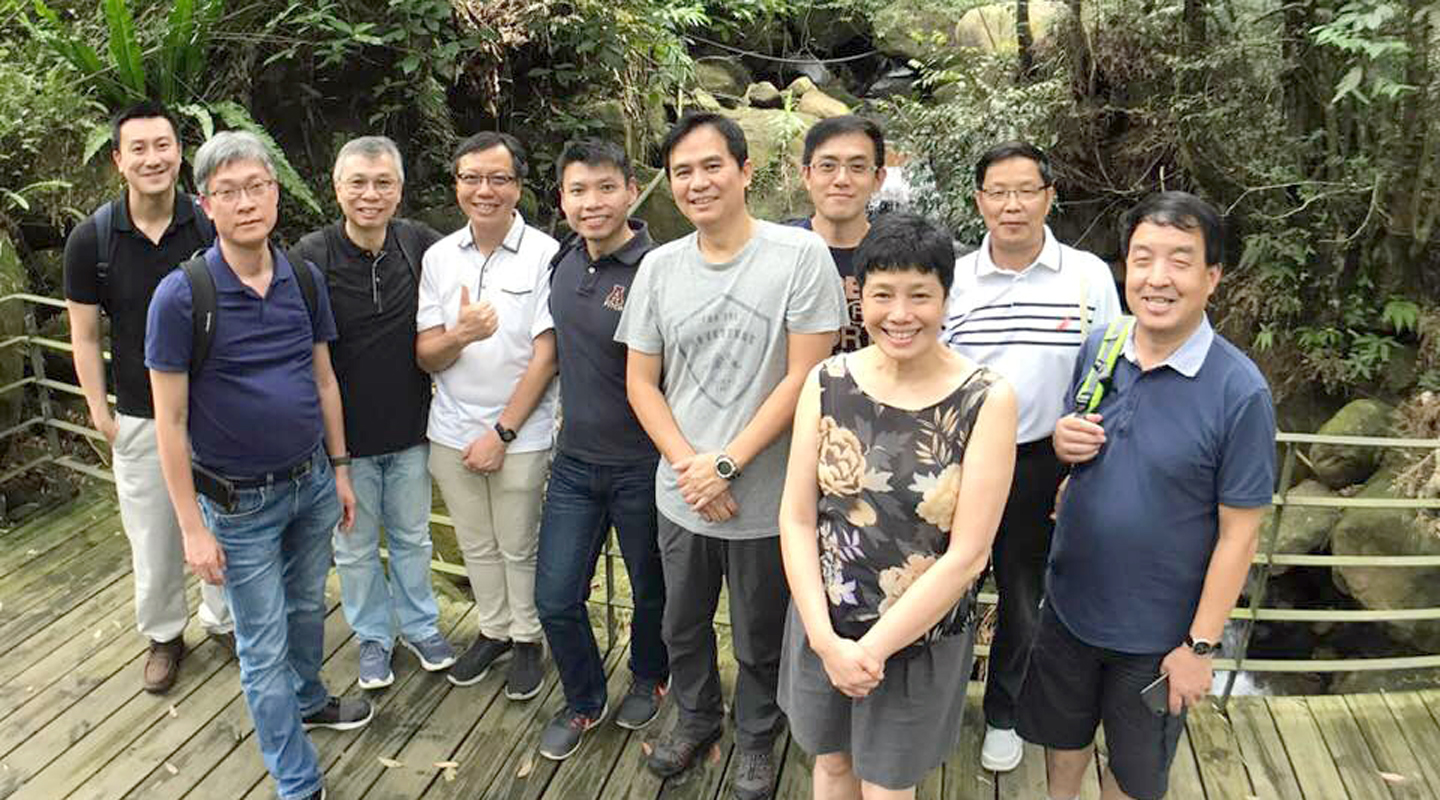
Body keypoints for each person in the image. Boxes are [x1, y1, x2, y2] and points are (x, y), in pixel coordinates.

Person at [615, 111, 846, 800]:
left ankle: (754, 736)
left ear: (746, 171)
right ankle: (693, 716)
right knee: (681, 623)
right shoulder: (659, 267)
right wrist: (693, 467)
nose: (697, 182)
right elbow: (639, 381)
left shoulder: (799, 257)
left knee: (761, 634)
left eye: (712, 165)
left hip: (768, 496)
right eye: (682, 171)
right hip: (682, 495)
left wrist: (727, 464)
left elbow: (805, 374)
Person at [1017, 191, 1275, 800]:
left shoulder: (1239, 393)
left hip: (1158, 637)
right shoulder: (1102, 346)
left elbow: (1241, 534)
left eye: (1180, 261)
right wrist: (1061, 441)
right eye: (1142, 258)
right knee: (1064, 738)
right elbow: (1079, 448)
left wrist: (1200, 647)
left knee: (1134, 773)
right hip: (1070, 608)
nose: (1157, 278)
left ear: (1212, 277)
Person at [146, 130, 370, 800]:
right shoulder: (181, 297)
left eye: (258, 187)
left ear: (277, 194)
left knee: (306, 611)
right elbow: (171, 420)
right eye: (229, 192)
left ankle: (308, 698)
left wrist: (339, 468)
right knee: (262, 643)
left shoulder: (303, 276)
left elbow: (324, 380)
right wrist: (191, 527)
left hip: (310, 483)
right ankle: (297, 780)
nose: (247, 203)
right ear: (205, 204)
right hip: (238, 505)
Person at [777, 211, 1016, 800]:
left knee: (887, 789)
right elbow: (798, 516)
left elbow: (969, 555)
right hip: (824, 620)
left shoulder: (986, 397)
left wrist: (870, 652)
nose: (901, 314)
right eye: (884, 294)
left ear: (945, 299)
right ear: (860, 296)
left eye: (920, 296)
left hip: (917, 640)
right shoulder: (827, 380)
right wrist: (826, 641)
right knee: (831, 766)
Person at [938, 141, 1120, 773]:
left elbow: (1111, 374)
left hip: (1046, 461)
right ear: (979, 200)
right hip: (957, 461)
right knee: (944, 586)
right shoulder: (953, 278)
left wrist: (1083, 470)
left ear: (1049, 195)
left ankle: (1004, 713)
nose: (1011, 205)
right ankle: (932, 705)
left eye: (1025, 191)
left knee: (1023, 596)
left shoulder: (1089, 276)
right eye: (998, 192)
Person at [63, 101, 233, 695]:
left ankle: (224, 619)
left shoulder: (209, 224)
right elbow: (84, 334)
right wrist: (99, 413)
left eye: (163, 145)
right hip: (138, 414)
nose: (152, 158)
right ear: (118, 160)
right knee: (154, 533)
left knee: (222, 522)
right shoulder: (93, 241)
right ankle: (164, 635)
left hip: (214, 412)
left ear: (180, 153)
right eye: (138, 148)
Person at [290, 136, 453, 691]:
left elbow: (475, 264)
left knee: (413, 537)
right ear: (337, 188)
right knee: (354, 548)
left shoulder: (419, 244)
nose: (370, 194)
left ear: (400, 191)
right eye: (357, 182)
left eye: (383, 183)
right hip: (344, 443)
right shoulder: (310, 257)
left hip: (410, 431)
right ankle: (372, 638)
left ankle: (421, 626)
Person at [534, 139, 669, 761]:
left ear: (631, 188)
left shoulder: (659, 269)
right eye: (578, 190)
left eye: (606, 187)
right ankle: (584, 699)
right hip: (574, 464)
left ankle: (650, 674)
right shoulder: (563, 260)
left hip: (644, 464)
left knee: (651, 589)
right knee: (556, 597)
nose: (592, 203)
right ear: (562, 198)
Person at [416, 131, 558, 700]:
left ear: (518, 187)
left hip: (521, 430)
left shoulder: (548, 253)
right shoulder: (438, 256)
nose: (485, 190)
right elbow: (426, 353)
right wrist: (460, 335)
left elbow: (547, 355)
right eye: (472, 178)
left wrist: (503, 431)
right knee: (476, 542)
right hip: (449, 427)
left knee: (520, 542)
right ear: (457, 187)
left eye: (498, 179)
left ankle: (528, 637)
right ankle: (493, 629)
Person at [791, 115, 888, 353]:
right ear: (806, 175)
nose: (842, 180)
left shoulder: (900, 252)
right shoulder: (781, 250)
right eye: (827, 166)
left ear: (878, 178)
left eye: (857, 167)